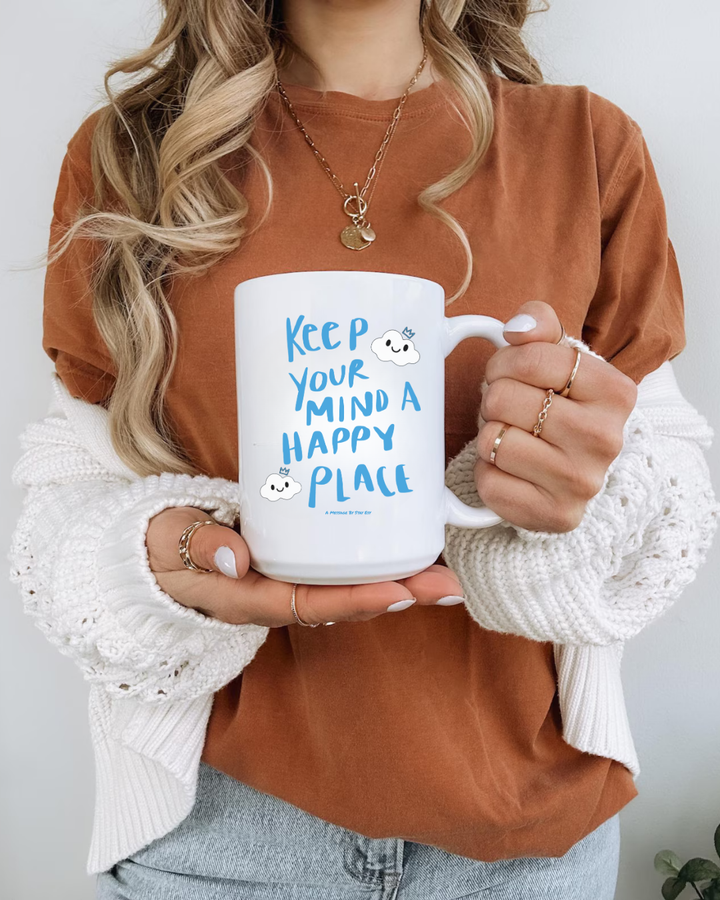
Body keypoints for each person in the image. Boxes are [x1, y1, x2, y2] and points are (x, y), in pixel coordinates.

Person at [8, 0, 718, 897]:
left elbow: (668, 502)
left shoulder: (584, 147)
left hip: (526, 843)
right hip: (220, 841)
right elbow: (69, 491)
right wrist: (148, 565)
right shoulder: (133, 159)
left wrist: (574, 499)